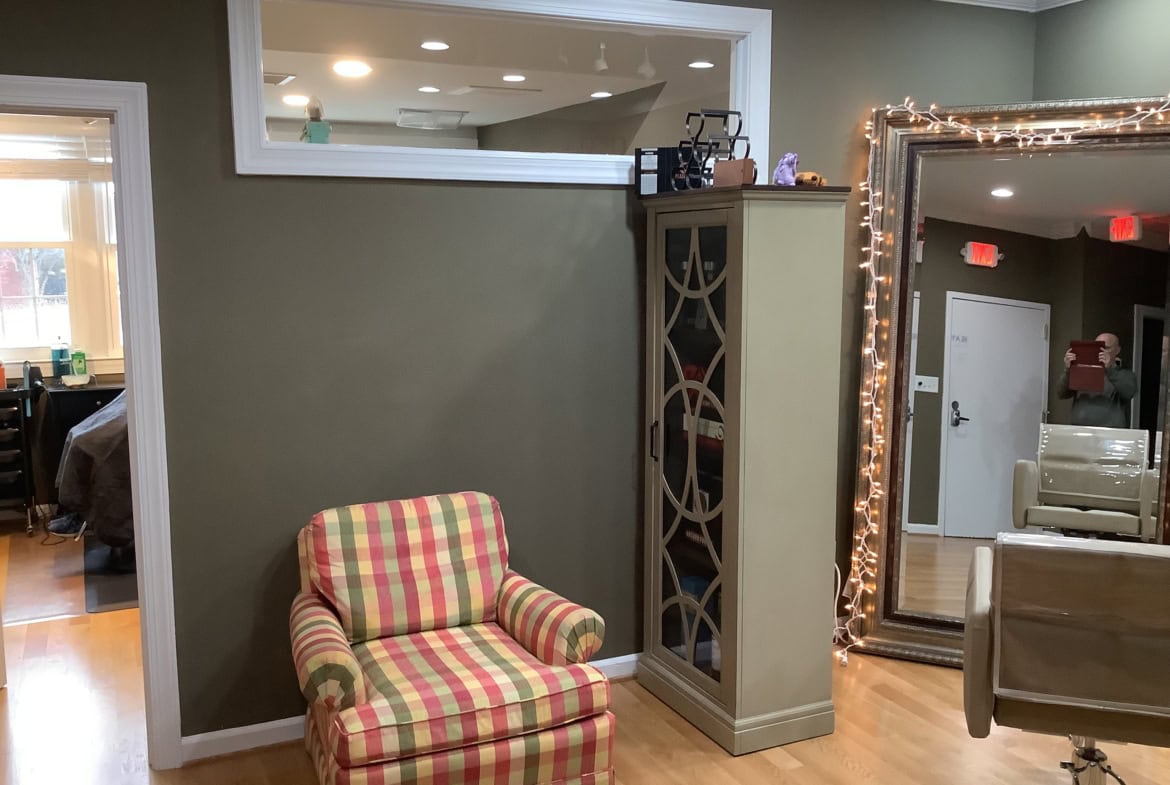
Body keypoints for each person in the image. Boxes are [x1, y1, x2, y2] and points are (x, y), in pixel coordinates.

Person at [1057, 332, 1137, 428]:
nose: (1100, 352)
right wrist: (1069, 370)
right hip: (1080, 431)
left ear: (1117, 350)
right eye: (1097, 348)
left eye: (1106, 348)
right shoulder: (1082, 371)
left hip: (1109, 434)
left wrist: (1109, 370)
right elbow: (1061, 393)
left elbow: (1129, 392)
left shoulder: (1124, 374)